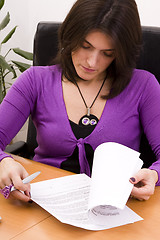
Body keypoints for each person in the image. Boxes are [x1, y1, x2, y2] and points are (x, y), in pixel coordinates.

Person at [0, 0, 160, 202]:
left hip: (115, 210)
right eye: (86, 46)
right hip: (42, 206)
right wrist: (3, 161)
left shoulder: (143, 86)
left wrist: (154, 174)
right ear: (70, 35)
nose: (92, 62)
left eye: (107, 53)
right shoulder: (35, 81)